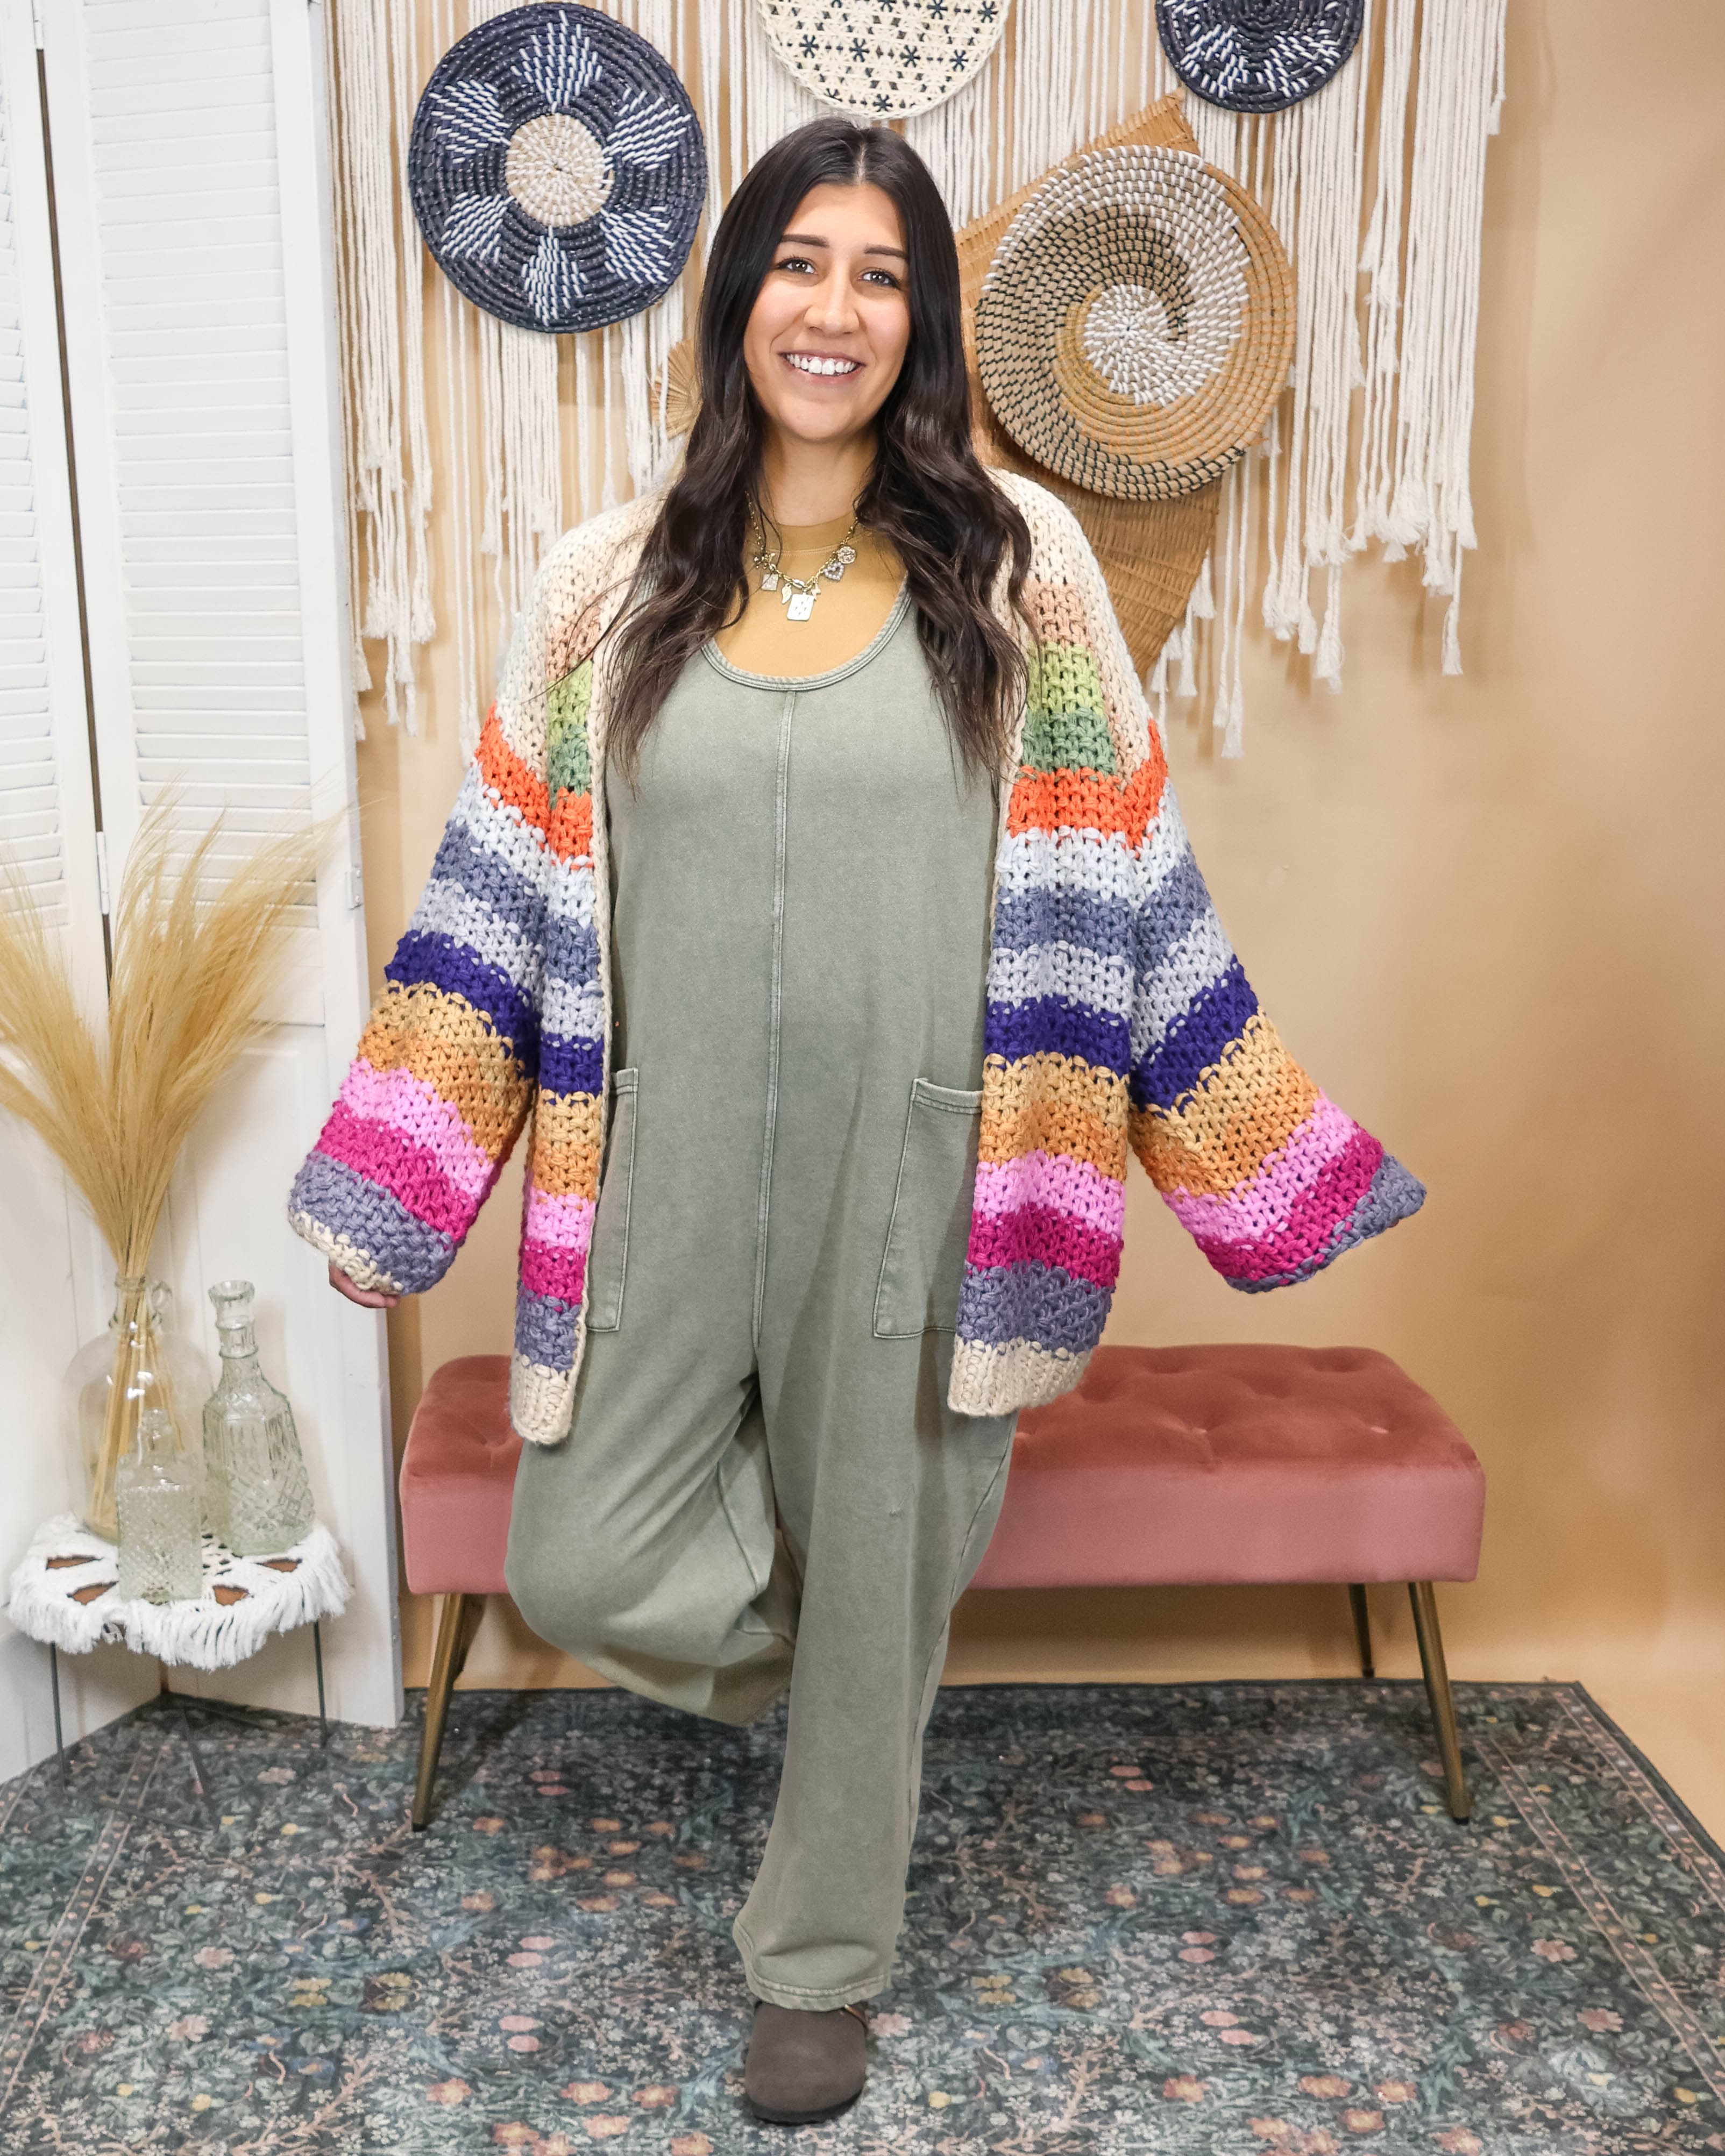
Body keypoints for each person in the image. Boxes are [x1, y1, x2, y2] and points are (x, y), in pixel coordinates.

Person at [288, 116, 1423, 2126]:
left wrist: (1259, 1151)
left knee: (887, 1535)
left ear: (925, 323)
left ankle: (819, 1961)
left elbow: (1126, 871)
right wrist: (398, 1178)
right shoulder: (603, 585)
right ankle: (856, 1666)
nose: (837, 310)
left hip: (931, 1161)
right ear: (741, 299)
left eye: (882, 275)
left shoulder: (1018, 566)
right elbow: (495, 895)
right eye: (802, 265)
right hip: (654, 1157)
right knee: (586, 1557)